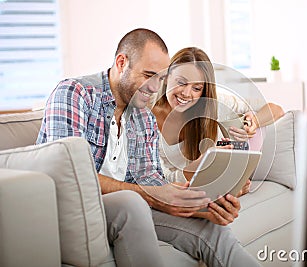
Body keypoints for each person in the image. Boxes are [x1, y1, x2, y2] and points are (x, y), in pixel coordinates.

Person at [37, 29, 261, 267]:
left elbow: (150, 178)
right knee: (130, 203)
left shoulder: (143, 115)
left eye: (160, 78)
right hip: (74, 206)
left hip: (129, 206)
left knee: (213, 232)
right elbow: (69, 175)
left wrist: (199, 206)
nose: (155, 88)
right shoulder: (75, 93)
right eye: (148, 75)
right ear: (122, 62)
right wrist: (151, 196)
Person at [151, 47, 284, 196]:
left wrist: (255, 122)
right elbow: (162, 181)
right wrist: (203, 163)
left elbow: (276, 109)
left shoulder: (212, 105)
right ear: (167, 77)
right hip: (181, 188)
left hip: (208, 181)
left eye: (196, 88)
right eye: (181, 82)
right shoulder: (146, 117)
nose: (186, 93)